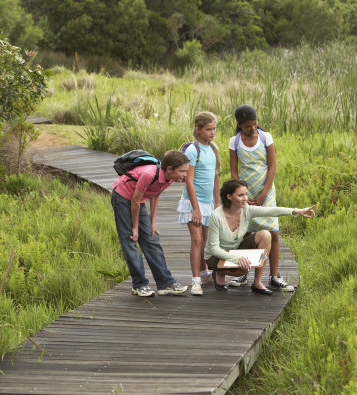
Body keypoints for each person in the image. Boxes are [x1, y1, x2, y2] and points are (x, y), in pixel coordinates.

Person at [205, 179, 315, 295]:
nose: (245, 198)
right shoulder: (217, 216)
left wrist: (297, 211)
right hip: (215, 257)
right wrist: (237, 259)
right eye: (240, 195)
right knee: (242, 268)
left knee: (265, 235)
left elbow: (272, 211)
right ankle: (219, 272)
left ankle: (257, 282)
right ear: (229, 196)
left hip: (234, 250)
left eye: (246, 194)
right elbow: (214, 249)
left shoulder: (247, 210)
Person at [228, 105, 292, 291]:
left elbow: (272, 166)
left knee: (272, 232)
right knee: (247, 232)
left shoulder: (265, 137)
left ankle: (273, 276)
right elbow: (234, 171)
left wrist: (264, 193)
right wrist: (241, 195)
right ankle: (244, 274)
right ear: (239, 125)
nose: (253, 128)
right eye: (249, 126)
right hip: (245, 193)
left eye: (255, 124)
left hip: (266, 191)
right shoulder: (235, 141)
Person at [111, 150, 190, 297]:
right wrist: (135, 228)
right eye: (182, 171)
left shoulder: (170, 179)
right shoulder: (148, 174)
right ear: (169, 169)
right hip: (122, 197)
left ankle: (165, 283)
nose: (184, 175)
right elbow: (134, 201)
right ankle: (139, 285)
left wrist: (153, 222)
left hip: (137, 200)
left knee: (152, 239)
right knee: (131, 240)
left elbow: (154, 196)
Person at [177, 112, 221, 296]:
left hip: (208, 203)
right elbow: (189, 180)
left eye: (214, 129)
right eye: (208, 129)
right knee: (196, 241)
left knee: (204, 242)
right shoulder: (193, 150)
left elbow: (215, 176)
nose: (212, 133)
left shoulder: (213, 148)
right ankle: (196, 281)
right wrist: (195, 208)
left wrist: (217, 203)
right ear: (198, 129)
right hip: (192, 202)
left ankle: (204, 274)